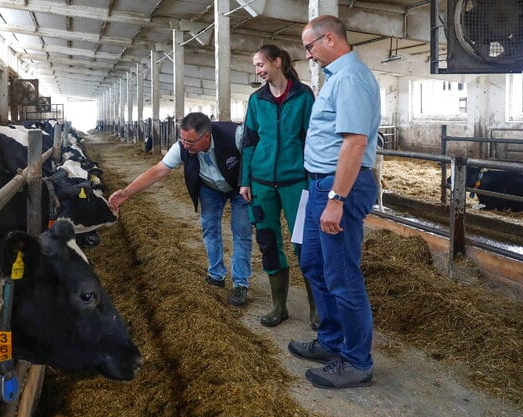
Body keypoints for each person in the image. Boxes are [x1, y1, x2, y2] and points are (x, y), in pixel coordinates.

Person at [287, 15, 380, 389]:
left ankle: (358, 361)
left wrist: (337, 198)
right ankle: (330, 342)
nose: (308, 55)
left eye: (310, 47)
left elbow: (355, 142)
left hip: (338, 187)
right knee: (312, 263)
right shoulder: (335, 79)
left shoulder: (352, 78)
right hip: (319, 184)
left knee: (342, 276)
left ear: (329, 39)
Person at [108, 112, 253, 306]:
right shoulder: (182, 147)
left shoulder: (235, 135)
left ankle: (240, 283)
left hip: (239, 187)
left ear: (206, 137)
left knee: (241, 232)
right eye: (182, 140)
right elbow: (158, 170)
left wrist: (253, 184)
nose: (185, 145)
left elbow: (254, 157)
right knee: (209, 228)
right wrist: (126, 192)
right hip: (210, 187)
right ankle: (216, 275)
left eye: (190, 142)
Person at [239, 44, 318, 330]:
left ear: (277, 62)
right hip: (261, 185)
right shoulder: (257, 99)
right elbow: (249, 141)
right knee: (268, 243)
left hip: (296, 182)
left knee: (305, 244)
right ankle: (279, 306)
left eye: (260, 65)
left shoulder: (303, 95)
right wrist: (244, 181)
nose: (258, 71)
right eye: (256, 66)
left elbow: (312, 138)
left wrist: (313, 179)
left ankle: (316, 308)